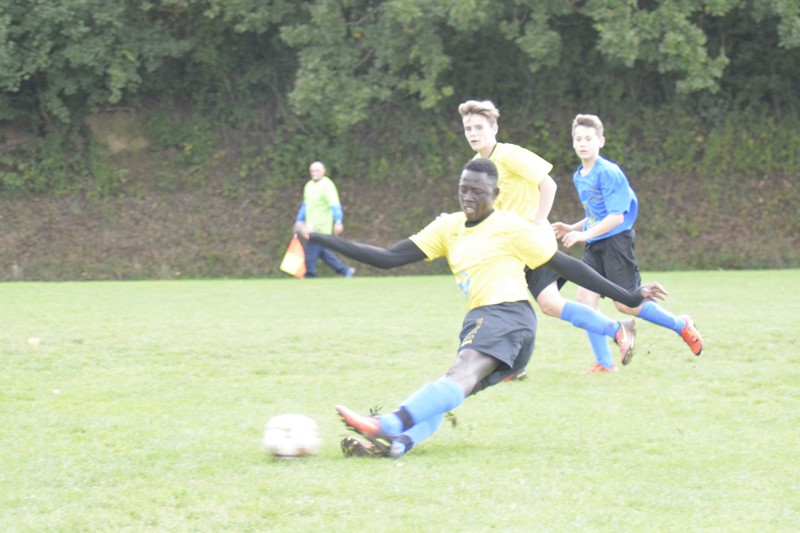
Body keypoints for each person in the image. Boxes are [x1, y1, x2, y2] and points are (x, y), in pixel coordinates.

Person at [296, 158, 667, 458]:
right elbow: (386, 257)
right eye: (464, 189)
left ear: (496, 193)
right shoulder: (448, 227)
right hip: (490, 321)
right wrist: (321, 238)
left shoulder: (510, 227)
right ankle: (398, 444)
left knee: (459, 375)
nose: (469, 196)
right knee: (451, 389)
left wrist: (629, 295)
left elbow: (568, 266)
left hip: (507, 315)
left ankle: (388, 424)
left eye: (478, 190)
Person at [459, 100, 633, 373]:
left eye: (479, 127)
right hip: (507, 249)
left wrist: (537, 222)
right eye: (468, 128)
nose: (473, 133)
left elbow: (548, 184)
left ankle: (616, 329)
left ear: (494, 128)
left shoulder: (510, 155)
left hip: (531, 243)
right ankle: (514, 367)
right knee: (510, 303)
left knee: (542, 304)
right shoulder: (476, 165)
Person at [552, 114, 703, 359]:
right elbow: (595, 215)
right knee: (585, 299)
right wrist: (572, 228)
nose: (583, 143)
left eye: (589, 138)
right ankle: (604, 362)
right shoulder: (579, 175)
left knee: (626, 304)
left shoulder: (609, 173)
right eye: (578, 139)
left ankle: (681, 325)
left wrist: (582, 235)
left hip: (616, 243)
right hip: (595, 244)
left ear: (601, 141)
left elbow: (616, 218)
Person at [293, 161, 355, 278]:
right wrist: (299, 220)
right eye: (312, 171)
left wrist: (338, 221)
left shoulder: (327, 185)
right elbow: (305, 205)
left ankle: (309, 275)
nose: (314, 173)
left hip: (322, 227)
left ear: (323, 171)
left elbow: (334, 205)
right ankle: (345, 270)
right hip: (310, 227)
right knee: (322, 253)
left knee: (309, 252)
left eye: (317, 170)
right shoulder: (309, 185)